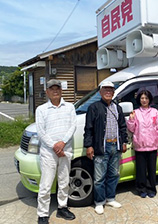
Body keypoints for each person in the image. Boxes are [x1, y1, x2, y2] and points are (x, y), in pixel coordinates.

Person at [84, 80, 128, 215]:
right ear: (100, 92)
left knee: (114, 174)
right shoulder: (94, 107)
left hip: (116, 145)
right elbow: (88, 129)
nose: (108, 92)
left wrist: (124, 141)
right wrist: (89, 146)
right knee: (99, 177)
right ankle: (99, 202)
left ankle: (110, 198)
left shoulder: (117, 107)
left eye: (111, 90)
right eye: (105, 90)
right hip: (101, 147)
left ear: (114, 92)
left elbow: (122, 126)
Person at [36, 79, 77, 224]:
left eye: (57, 88)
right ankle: (42, 214)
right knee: (46, 184)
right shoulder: (41, 109)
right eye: (52, 88)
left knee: (64, 181)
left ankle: (62, 207)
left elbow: (73, 126)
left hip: (65, 150)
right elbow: (41, 131)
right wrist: (54, 145)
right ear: (47, 91)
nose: (55, 91)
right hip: (48, 152)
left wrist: (62, 143)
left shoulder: (70, 107)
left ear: (61, 90)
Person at [127, 90, 158, 198]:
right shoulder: (135, 112)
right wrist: (131, 120)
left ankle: (151, 188)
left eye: (146, 98)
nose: (144, 100)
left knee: (152, 169)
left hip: (152, 144)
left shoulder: (154, 112)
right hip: (140, 145)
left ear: (149, 100)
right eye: (142, 98)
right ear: (139, 99)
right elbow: (132, 129)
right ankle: (141, 189)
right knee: (141, 170)